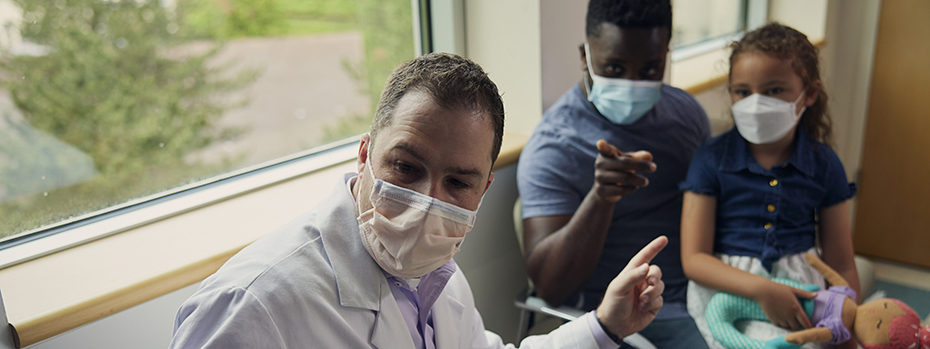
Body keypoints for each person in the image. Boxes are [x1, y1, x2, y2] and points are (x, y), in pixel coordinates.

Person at [170, 52, 669, 349]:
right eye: (406, 167)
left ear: (484, 189)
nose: (425, 203)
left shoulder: (435, 278)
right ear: (366, 154)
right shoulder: (250, 306)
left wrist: (605, 325)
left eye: (458, 183)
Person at [516, 0, 710, 348]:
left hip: (703, 296)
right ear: (584, 55)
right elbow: (550, 286)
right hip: (622, 317)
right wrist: (601, 198)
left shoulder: (687, 116)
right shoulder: (555, 146)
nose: (633, 83)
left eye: (651, 70)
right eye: (614, 68)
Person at [679, 23, 860, 349]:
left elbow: (842, 263)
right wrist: (763, 289)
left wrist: (849, 324)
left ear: (810, 94)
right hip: (728, 291)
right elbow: (694, 258)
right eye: (742, 92)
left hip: (801, 289)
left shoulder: (825, 164)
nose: (755, 103)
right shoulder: (710, 159)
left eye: (774, 90)